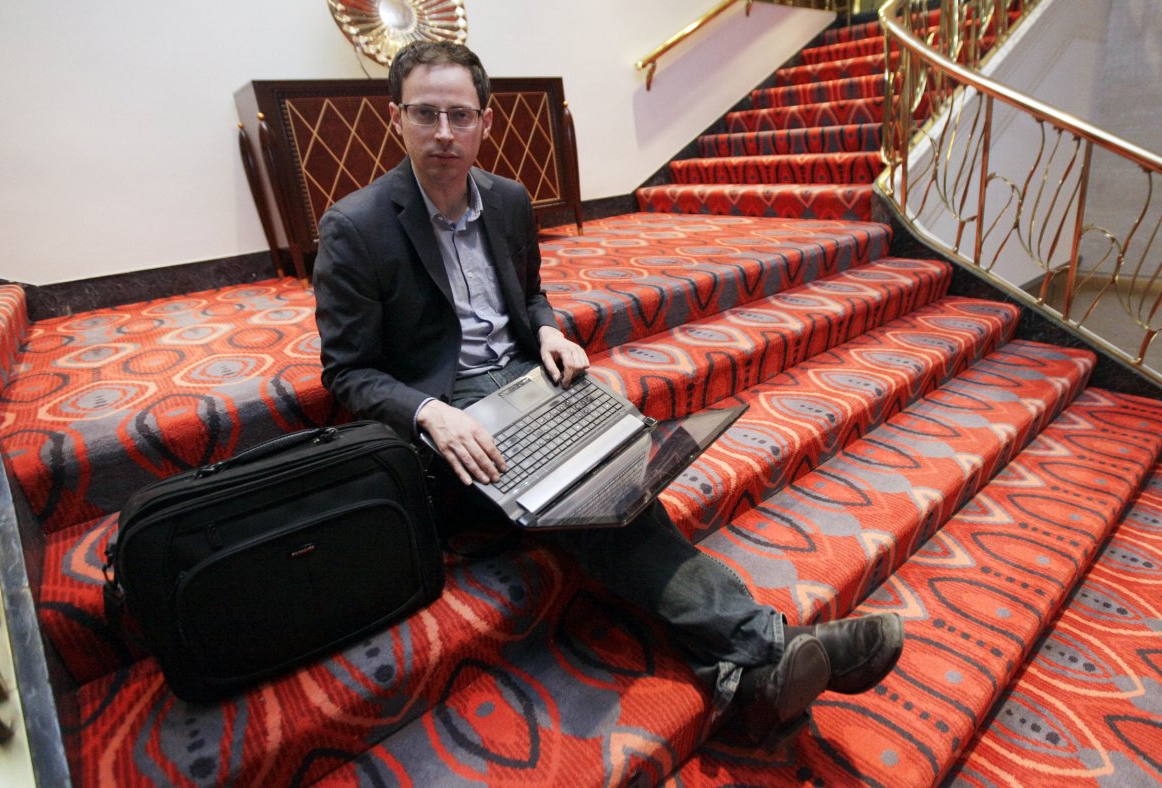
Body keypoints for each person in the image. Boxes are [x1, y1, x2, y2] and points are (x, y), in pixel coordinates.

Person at [313, 40, 903, 744]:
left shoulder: (506, 200)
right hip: (455, 421)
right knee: (596, 503)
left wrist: (551, 333)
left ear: (485, 122)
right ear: (396, 118)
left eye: (460, 115)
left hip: (531, 385)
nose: (444, 132)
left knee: (627, 465)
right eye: (426, 113)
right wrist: (428, 412)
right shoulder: (356, 226)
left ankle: (747, 681)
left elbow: (528, 297)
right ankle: (764, 647)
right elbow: (346, 372)